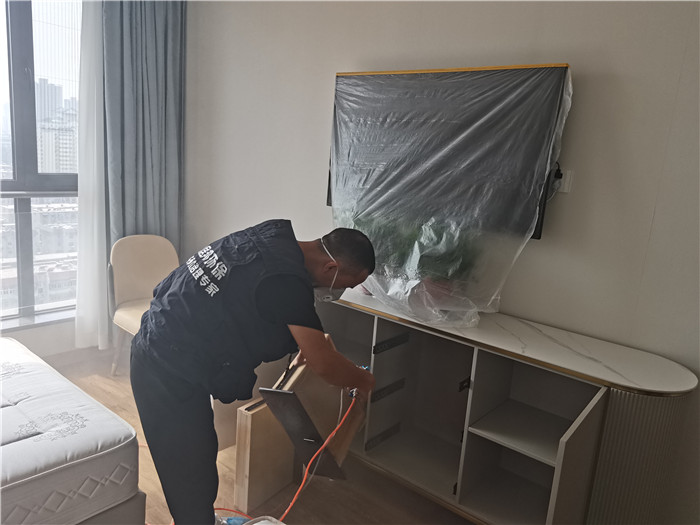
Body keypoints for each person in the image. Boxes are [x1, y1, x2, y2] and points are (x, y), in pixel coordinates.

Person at [129, 218, 376, 525]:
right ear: (331, 267)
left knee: (198, 456)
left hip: (168, 345)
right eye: (346, 285)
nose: (340, 291)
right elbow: (324, 364)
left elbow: (254, 303)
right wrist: (364, 380)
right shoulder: (286, 280)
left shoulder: (273, 237)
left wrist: (310, 344)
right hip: (164, 366)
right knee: (189, 471)